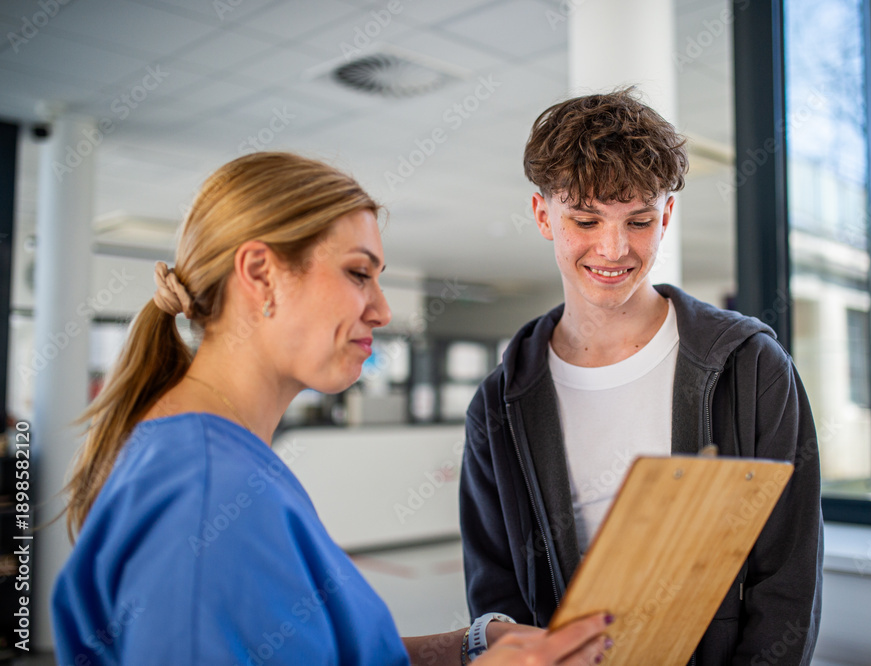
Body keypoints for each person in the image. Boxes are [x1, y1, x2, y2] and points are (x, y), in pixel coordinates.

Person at [52, 152, 616, 666]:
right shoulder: (205, 490)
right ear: (258, 274)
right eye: (357, 273)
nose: (381, 310)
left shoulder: (219, 460)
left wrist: (463, 650)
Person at [460, 89, 823, 664]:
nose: (614, 248)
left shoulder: (751, 368)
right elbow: (495, 590)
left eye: (639, 220)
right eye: (585, 219)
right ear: (542, 216)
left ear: (667, 217)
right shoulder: (499, 403)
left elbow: (789, 578)